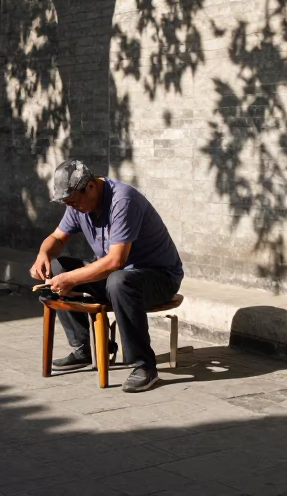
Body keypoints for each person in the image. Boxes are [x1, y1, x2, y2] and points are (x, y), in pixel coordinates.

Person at [29, 159, 184, 393]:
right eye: (67, 203)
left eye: (73, 201)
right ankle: (83, 348)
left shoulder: (123, 201)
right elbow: (57, 238)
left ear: (90, 187)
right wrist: (43, 253)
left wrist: (73, 280)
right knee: (59, 267)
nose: (71, 207)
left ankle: (144, 366)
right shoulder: (78, 206)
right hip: (120, 276)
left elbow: (115, 261)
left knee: (118, 280)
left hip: (159, 277)